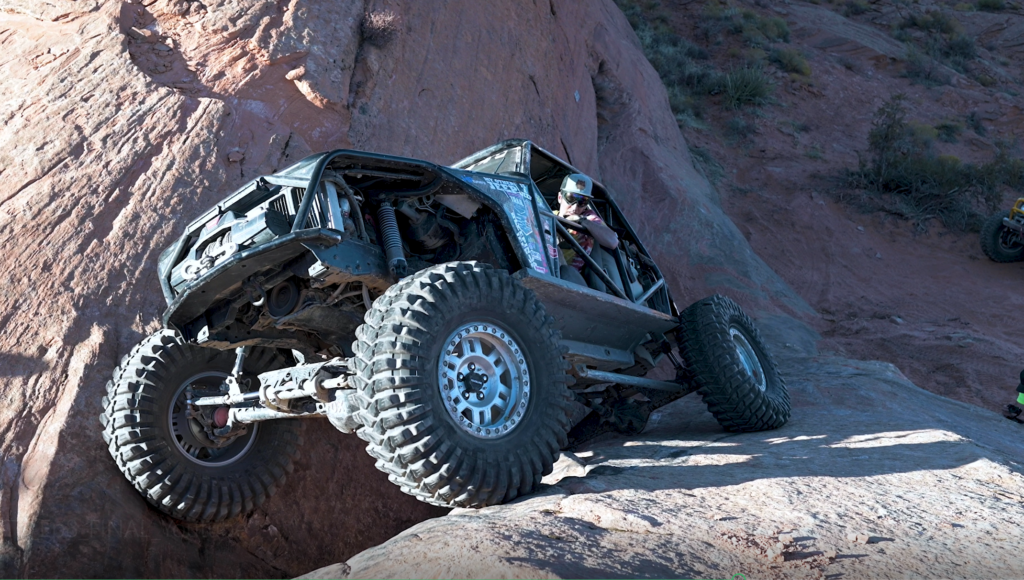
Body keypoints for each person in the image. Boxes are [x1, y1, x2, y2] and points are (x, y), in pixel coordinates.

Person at [555, 173, 618, 275]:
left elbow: (612, 241)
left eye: (582, 201)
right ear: (560, 197)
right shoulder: (548, 214)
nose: (575, 207)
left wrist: (581, 221)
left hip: (568, 278)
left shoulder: (588, 218)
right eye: (570, 198)